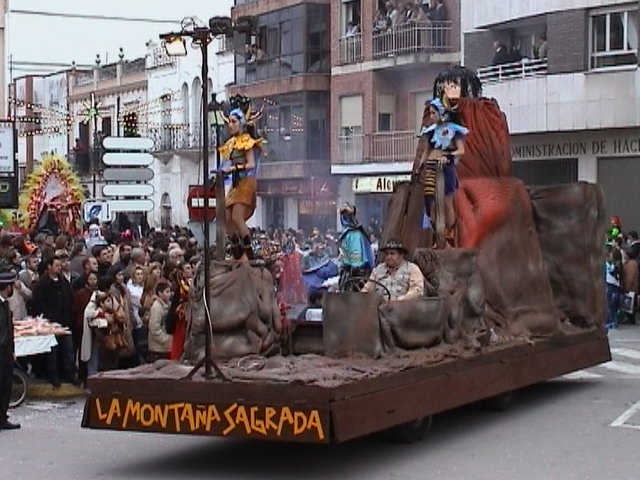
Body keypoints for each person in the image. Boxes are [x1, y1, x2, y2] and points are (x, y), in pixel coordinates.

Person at [413, 97, 468, 245]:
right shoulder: (430, 131)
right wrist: (420, 166)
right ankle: (436, 234)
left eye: (434, 113)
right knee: (430, 202)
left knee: (447, 202)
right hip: (431, 167)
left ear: (442, 112)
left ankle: (449, 234)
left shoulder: (454, 130)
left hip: (446, 167)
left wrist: (448, 156)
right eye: (430, 113)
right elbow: (426, 152)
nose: (431, 116)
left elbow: (461, 150)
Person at [219, 95, 264, 261]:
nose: (230, 125)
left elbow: (251, 164)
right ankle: (236, 249)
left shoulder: (247, 141)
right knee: (226, 217)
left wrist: (233, 168)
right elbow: (226, 163)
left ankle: (249, 251)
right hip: (236, 183)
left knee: (237, 217)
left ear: (241, 123)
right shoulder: (231, 143)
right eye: (229, 122)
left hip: (246, 182)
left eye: (233, 122)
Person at [31, 255, 79, 387]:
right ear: (49, 266)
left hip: (65, 322)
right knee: (52, 352)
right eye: (56, 265)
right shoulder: (41, 284)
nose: (59, 268)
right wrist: (50, 317)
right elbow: (38, 303)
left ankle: (69, 374)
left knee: (68, 350)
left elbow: (70, 298)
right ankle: (53, 375)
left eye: (60, 265)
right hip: (50, 323)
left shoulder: (63, 282)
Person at [0, 268, 20, 430]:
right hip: (1, 350)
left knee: (6, 385)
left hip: (6, 351)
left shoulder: (5, 304)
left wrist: (12, 350)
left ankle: (2, 415)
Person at [337, 204, 374, 290]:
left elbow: (356, 257)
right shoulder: (350, 233)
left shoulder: (353, 234)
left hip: (354, 274)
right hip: (348, 272)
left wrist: (353, 274)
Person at [148, 281, 173, 362]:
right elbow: (154, 328)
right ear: (160, 293)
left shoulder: (169, 305)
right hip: (158, 348)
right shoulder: (156, 307)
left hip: (165, 347)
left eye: (169, 291)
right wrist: (166, 339)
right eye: (167, 292)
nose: (169, 294)